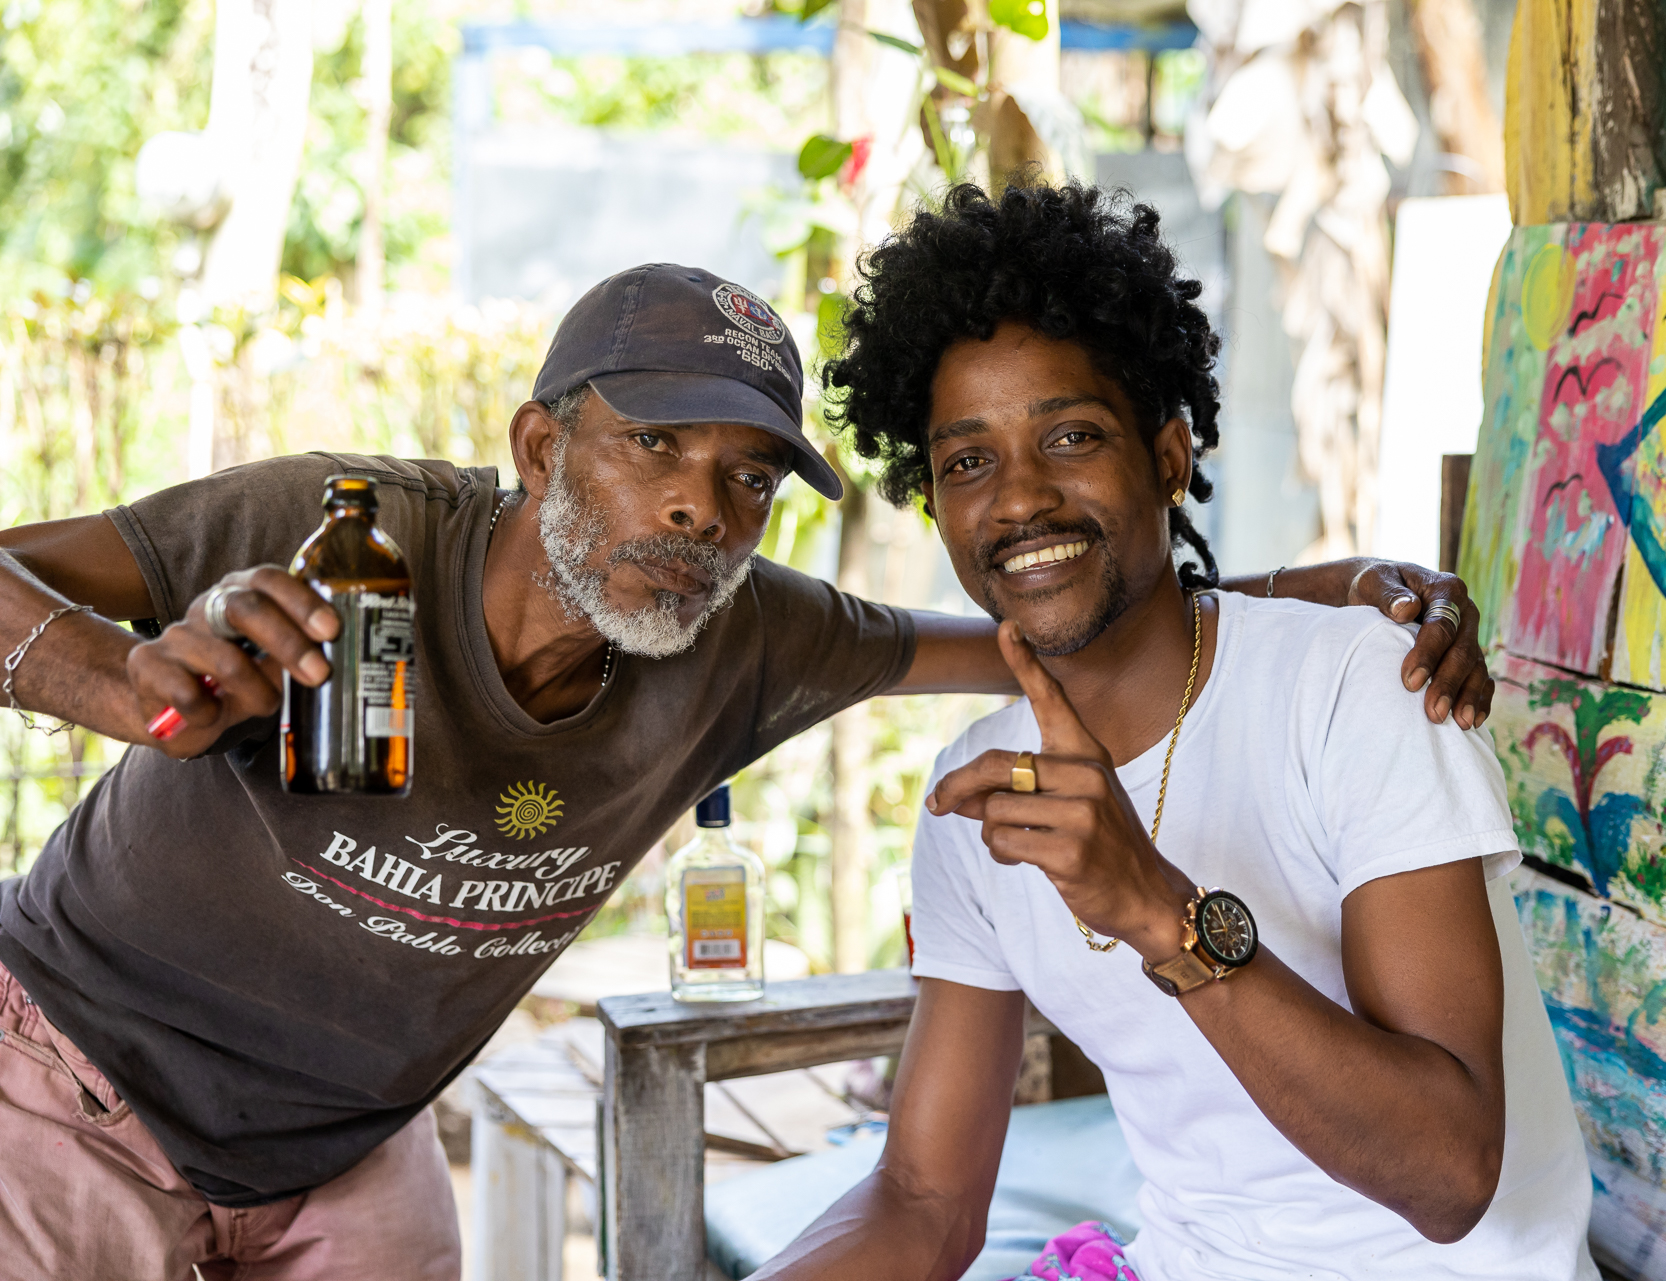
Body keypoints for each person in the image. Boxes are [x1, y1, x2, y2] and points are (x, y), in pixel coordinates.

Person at [0, 263, 1492, 1280]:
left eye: (748, 476)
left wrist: (1330, 587)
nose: (698, 508)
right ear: (540, 445)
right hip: (69, 1085)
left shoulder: (740, 635)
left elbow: (1043, 614)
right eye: (653, 443)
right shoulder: (346, 534)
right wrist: (118, 678)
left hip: (340, 1146)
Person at [751, 185, 1596, 1281]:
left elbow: (1449, 1175)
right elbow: (923, 1198)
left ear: (1168, 456)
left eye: (1070, 436)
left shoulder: (1358, 687)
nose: (1019, 498)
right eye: (967, 462)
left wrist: (1156, 907)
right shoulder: (977, 798)